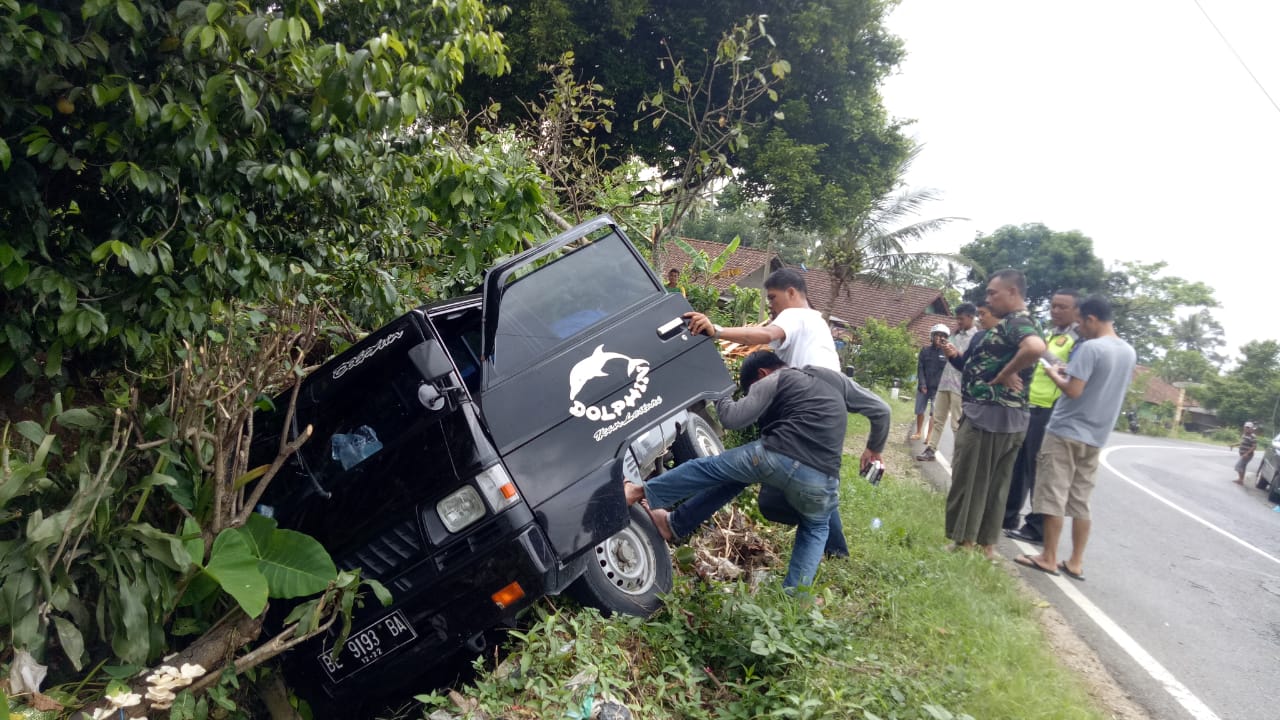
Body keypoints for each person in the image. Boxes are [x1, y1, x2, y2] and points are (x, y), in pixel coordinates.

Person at [624, 350, 886, 590]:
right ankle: (796, 597)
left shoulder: (774, 379)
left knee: (708, 468)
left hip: (775, 455)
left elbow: (732, 418)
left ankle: (636, 492)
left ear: (761, 374)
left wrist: (718, 390)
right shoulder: (834, 379)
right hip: (822, 477)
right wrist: (874, 448)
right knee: (816, 527)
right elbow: (881, 410)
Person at [683, 268, 855, 555]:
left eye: (773, 299)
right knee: (808, 475)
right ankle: (835, 549)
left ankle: (680, 520)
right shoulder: (816, 325)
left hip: (808, 408)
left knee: (745, 465)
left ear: (791, 292)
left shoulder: (797, 315)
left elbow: (764, 333)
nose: (772, 308)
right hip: (828, 409)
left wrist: (717, 330)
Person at [1014, 296, 1136, 580]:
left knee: (1052, 493)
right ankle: (1076, 562)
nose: (1078, 328)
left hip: (1066, 430)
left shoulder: (1092, 348)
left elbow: (1073, 391)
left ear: (1092, 319)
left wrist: (1053, 373)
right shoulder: (1128, 352)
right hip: (1097, 435)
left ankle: (1048, 556)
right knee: (1081, 500)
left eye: (1080, 322)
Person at [942, 270, 1046, 560]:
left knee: (971, 480)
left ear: (1013, 293)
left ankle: (964, 543)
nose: (987, 299)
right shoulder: (1028, 322)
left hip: (988, 417)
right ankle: (986, 545)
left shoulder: (1018, 322)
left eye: (992, 293)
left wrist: (1005, 374)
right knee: (997, 485)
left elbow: (1035, 348)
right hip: (1008, 417)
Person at [1003, 290, 1080, 543]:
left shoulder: (1078, 340)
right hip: (1031, 406)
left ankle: (1036, 527)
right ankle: (1008, 516)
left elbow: (1073, 372)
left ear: (1076, 311)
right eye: (1054, 306)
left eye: (1062, 307)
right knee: (1019, 466)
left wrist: (1044, 354)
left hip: (1051, 411)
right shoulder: (1049, 333)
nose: (1055, 311)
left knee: (1040, 470)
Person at [916, 304, 977, 462]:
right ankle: (931, 449)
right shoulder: (955, 335)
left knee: (956, 423)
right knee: (937, 419)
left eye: (961, 319)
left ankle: (958, 456)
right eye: (957, 319)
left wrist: (956, 353)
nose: (958, 322)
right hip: (944, 383)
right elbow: (947, 358)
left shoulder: (976, 338)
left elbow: (972, 362)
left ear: (971, 317)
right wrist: (946, 349)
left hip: (959, 386)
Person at [912, 325, 951, 441]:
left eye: (943, 336)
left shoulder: (947, 354)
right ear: (932, 336)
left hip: (938, 388)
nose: (939, 338)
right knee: (919, 410)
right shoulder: (925, 351)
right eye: (937, 335)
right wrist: (922, 384)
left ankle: (929, 436)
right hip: (924, 386)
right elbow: (920, 368)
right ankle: (918, 432)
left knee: (933, 413)